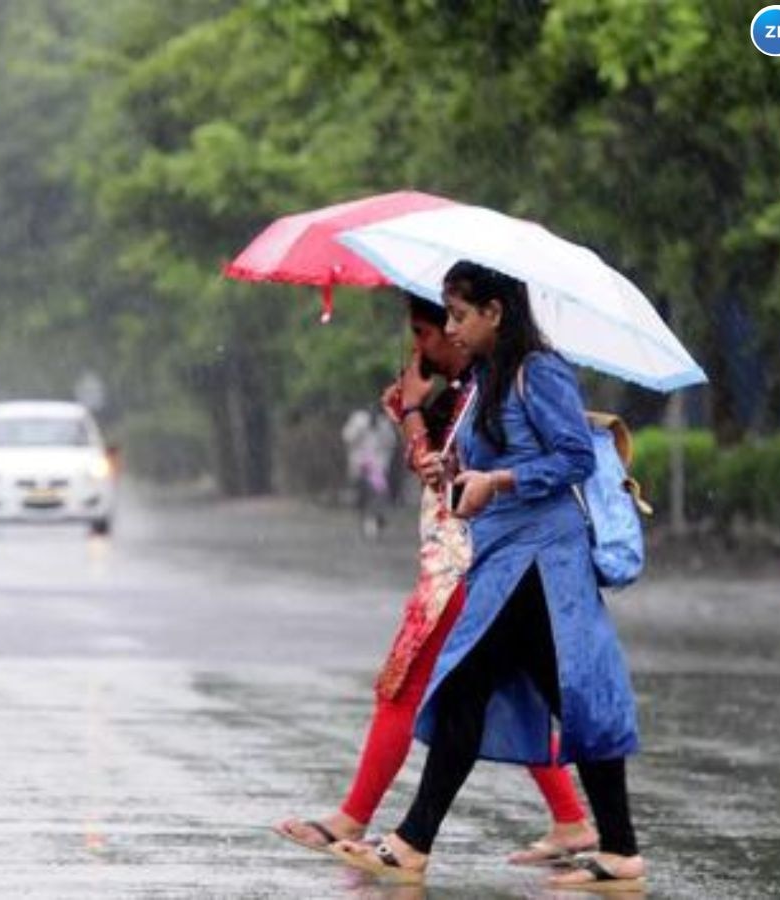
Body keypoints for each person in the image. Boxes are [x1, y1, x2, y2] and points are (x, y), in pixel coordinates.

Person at [331, 263, 646, 891]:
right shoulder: (486, 381)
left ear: (496, 313)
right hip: (504, 559)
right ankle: (618, 849)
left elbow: (575, 458)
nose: (451, 327)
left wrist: (501, 481)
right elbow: (489, 456)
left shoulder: (539, 371)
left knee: (466, 689)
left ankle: (412, 841)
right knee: (560, 697)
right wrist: (454, 467)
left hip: (538, 566)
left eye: (459, 315)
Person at [274, 293, 597, 866]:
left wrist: (416, 415)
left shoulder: (495, 387)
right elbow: (437, 472)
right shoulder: (474, 388)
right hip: (472, 563)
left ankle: (370, 822)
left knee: (408, 687)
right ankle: (573, 821)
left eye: (439, 325)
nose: (429, 339)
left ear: (480, 320)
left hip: (465, 566)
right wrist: (413, 413)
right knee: (502, 694)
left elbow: (452, 476)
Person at [341, 404, 398, 537]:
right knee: (360, 494)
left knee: (378, 493)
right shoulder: (358, 421)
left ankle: (377, 517)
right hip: (360, 464)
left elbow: (391, 444)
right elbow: (347, 437)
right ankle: (364, 517)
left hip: (377, 467)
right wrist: (360, 430)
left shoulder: (384, 425)